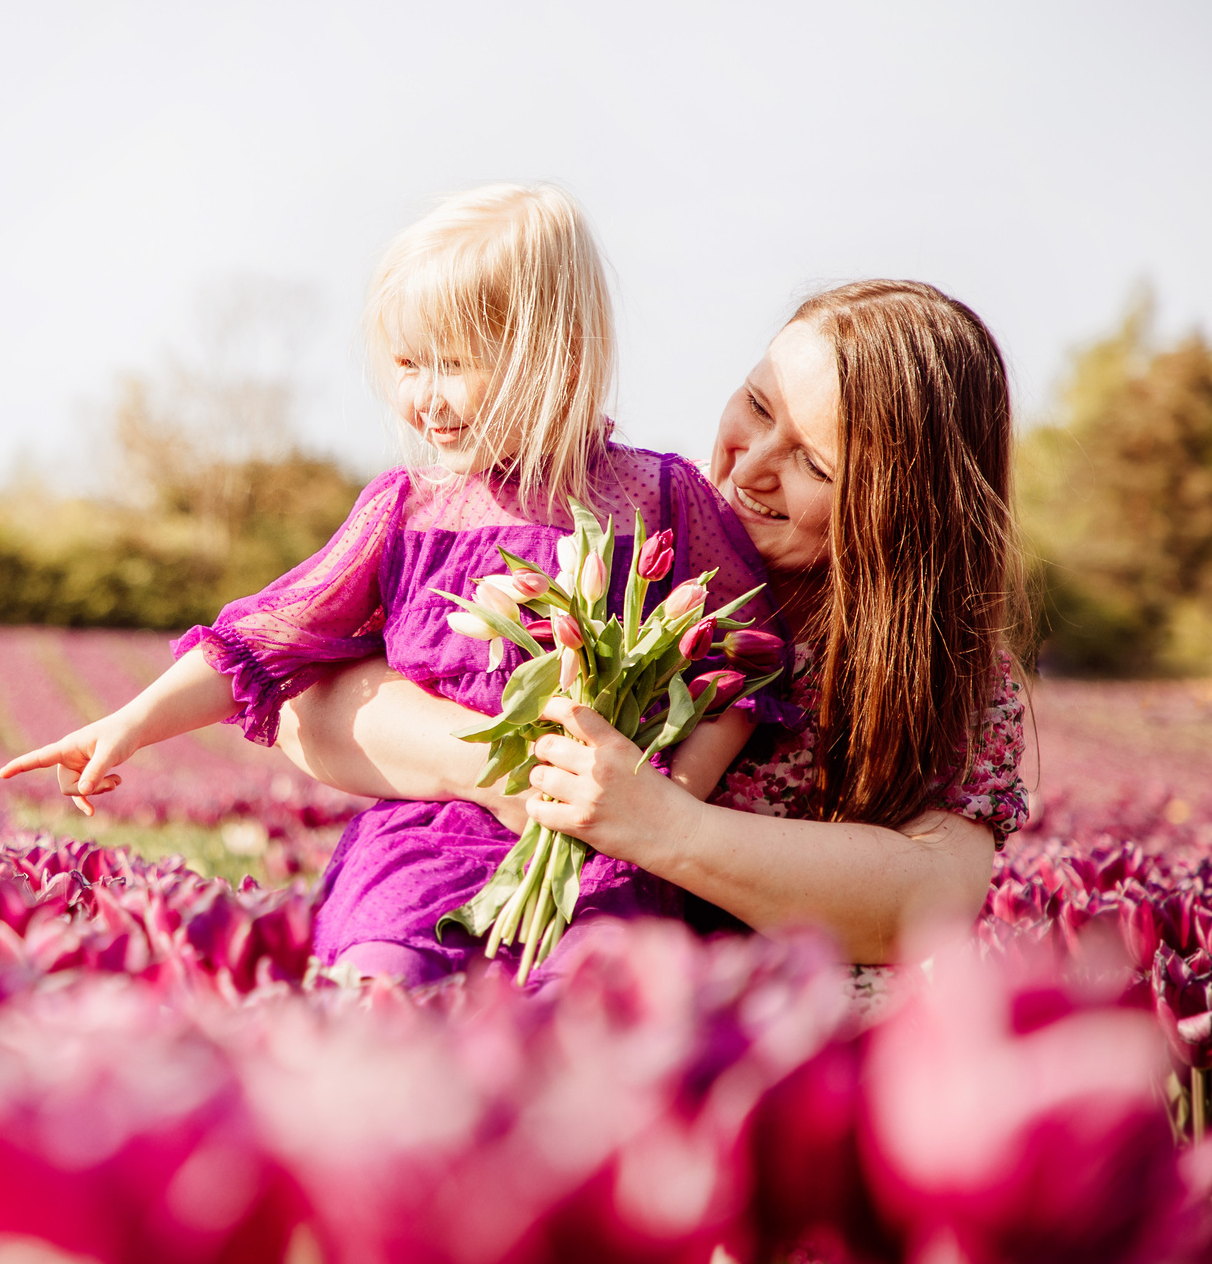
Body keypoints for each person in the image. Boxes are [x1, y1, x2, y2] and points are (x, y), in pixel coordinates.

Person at [0, 185, 794, 980]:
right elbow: (270, 632)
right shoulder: (410, 511)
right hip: (427, 836)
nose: (422, 397)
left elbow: (743, 662)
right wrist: (131, 722)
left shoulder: (657, 499)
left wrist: (667, 803)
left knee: (591, 994)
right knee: (388, 969)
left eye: (453, 363)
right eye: (409, 364)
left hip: (602, 846)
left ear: (561, 353)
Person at [271, 279, 1030, 968]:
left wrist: (661, 824)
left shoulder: (947, 670)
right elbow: (310, 699)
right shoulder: (626, 536)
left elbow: (930, 896)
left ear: (907, 512)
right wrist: (531, 776)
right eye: (758, 406)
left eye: (815, 466)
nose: (750, 464)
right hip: (453, 936)